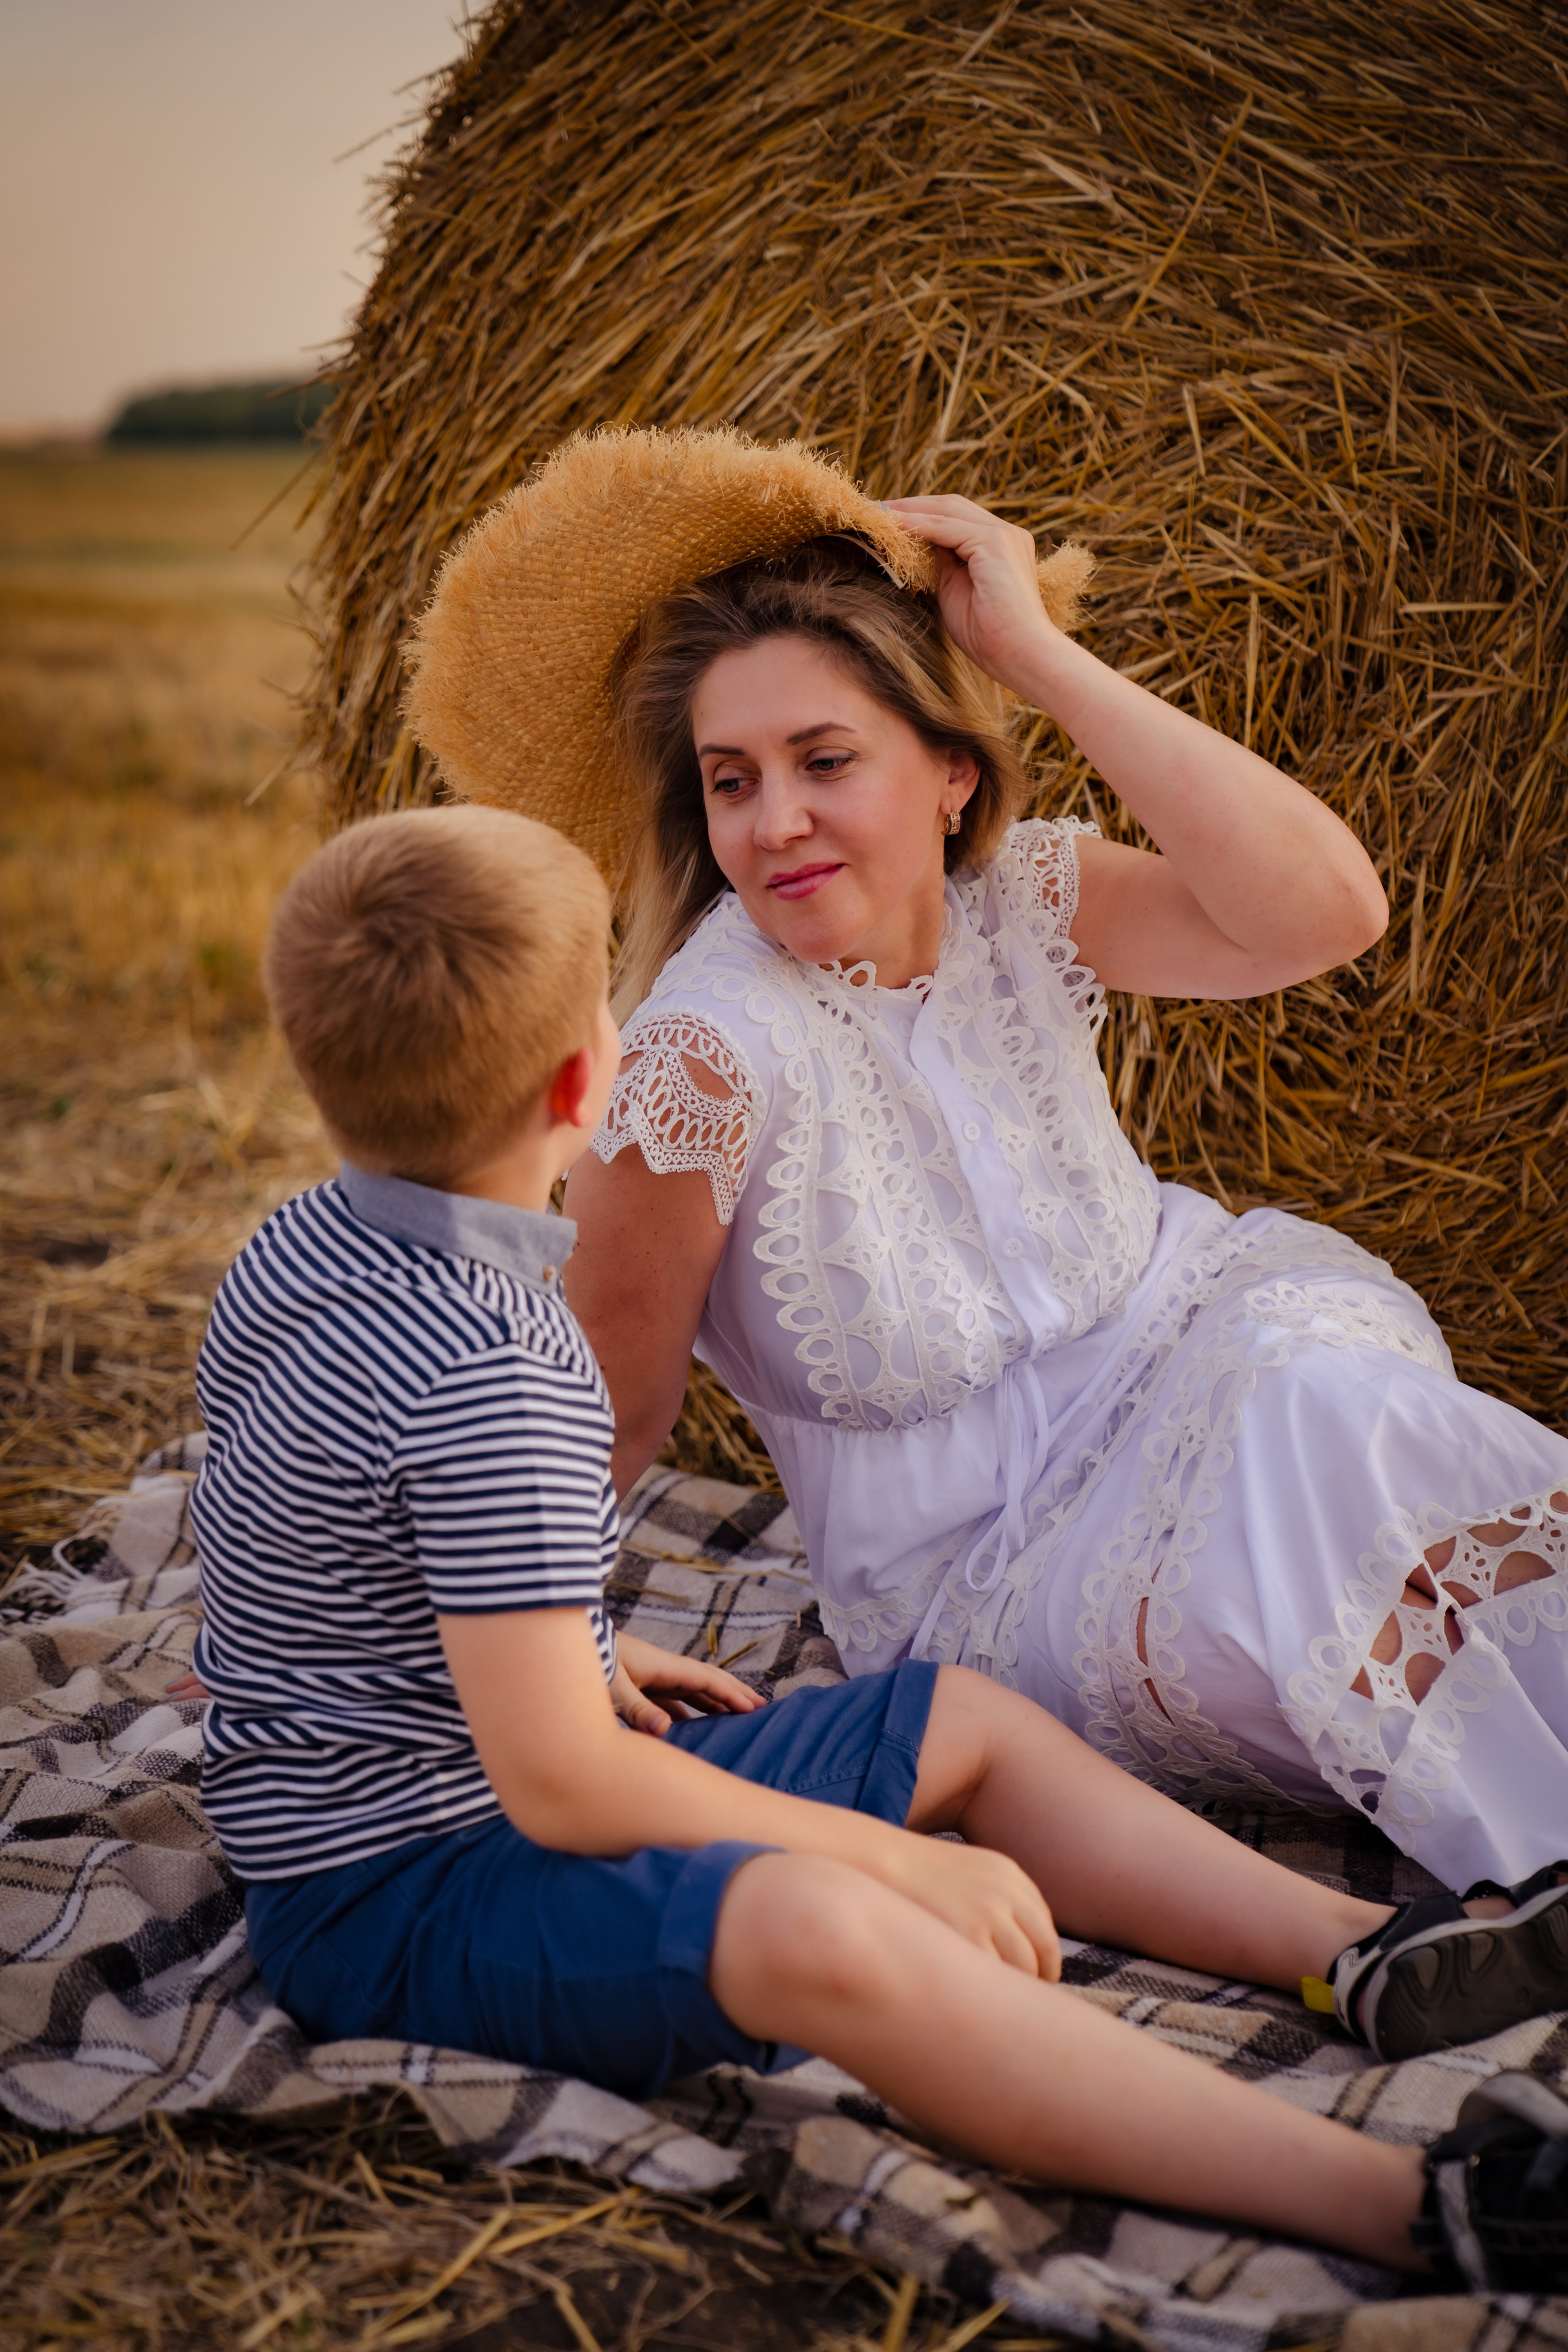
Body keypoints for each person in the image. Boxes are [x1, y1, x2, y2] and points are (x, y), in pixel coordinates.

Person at [191, 802, 1568, 2293]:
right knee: (817, 1922)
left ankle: (1365, 1953)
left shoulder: (305, 1243)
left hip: (466, 1764)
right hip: (396, 1894)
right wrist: (900, 1873)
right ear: (590, 1073)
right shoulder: (500, 1368)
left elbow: (324, 1540)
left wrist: (569, 1643)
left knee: (965, 1726)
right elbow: (563, 1782)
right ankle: (1408, 2201)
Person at [408, 424, 1567, 1900]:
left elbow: (1325, 911)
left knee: (1356, 1438)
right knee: (1332, 1521)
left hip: (1208, 1346)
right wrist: (453, 1655)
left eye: (824, 759)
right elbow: (599, 1420)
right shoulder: (699, 1064)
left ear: (952, 776)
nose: (774, 824)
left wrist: (1031, 657)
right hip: (996, 1577)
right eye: (729, 779)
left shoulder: (1018, 895)